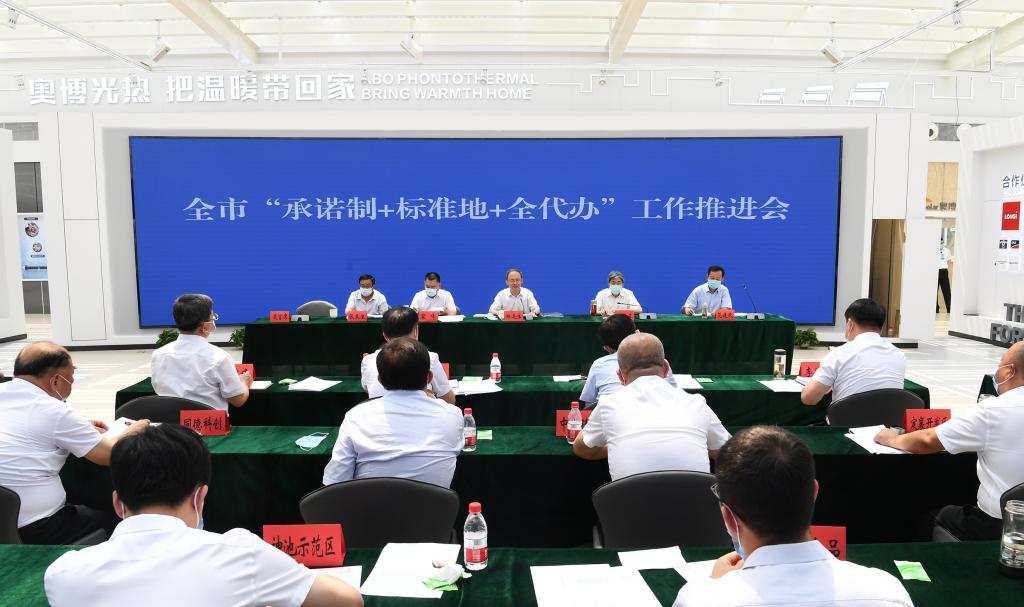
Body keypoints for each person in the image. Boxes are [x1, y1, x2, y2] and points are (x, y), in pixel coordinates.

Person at [44, 423, 362, 607]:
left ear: (117, 503)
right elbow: (347, 600)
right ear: (200, 497)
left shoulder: (65, 573)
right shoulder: (241, 553)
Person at [674, 426, 913, 607]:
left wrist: (714, 586)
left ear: (728, 517)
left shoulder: (700, 599)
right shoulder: (887, 593)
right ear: (814, 493)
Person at [0, 342, 149, 544]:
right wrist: (132, 431)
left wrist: (81, 428)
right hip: (38, 525)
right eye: (71, 378)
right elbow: (110, 454)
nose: (72, 382)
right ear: (55, 381)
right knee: (121, 518)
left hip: (9, 520)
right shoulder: (55, 411)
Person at [874, 341, 1024, 541]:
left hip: (1000, 525)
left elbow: (927, 441)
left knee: (930, 518)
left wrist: (894, 438)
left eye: (1000, 364)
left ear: (1009, 371)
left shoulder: (994, 410)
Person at [573, 333, 729, 480]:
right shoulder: (696, 403)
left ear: (620, 375)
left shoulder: (608, 404)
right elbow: (729, 452)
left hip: (627, 499)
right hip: (696, 499)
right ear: (666, 368)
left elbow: (582, 448)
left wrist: (613, 445)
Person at [324, 338, 463, 488]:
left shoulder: (355, 417)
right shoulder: (452, 415)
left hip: (369, 503)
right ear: (430, 377)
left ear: (379, 380)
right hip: (433, 504)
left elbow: (335, 482)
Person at [152, 294, 252, 412]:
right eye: (212, 318)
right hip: (208, 423)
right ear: (205, 326)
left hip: (167, 421)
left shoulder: (158, 355)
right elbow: (238, 400)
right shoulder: (219, 357)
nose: (213, 321)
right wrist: (244, 382)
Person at [800, 298, 905, 406]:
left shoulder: (839, 354)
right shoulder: (899, 355)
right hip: (889, 416)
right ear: (881, 328)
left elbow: (808, 398)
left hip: (846, 417)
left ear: (850, 324)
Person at [361, 307, 456, 405]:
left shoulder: (368, 360)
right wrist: (431, 398)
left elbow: (368, 388)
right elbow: (449, 399)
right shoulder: (429, 357)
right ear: (416, 331)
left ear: (385, 335)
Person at [579, 314, 678, 406]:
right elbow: (673, 394)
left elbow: (589, 405)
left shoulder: (599, 365)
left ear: (607, 348)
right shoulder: (657, 360)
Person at [937, 238, 953, 313]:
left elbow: (949, 261)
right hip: (936, 271)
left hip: (944, 271)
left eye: (942, 243)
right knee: (935, 291)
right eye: (940, 243)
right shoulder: (933, 250)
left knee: (947, 291)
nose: (941, 244)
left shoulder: (947, 251)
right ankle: (936, 308)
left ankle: (949, 309)